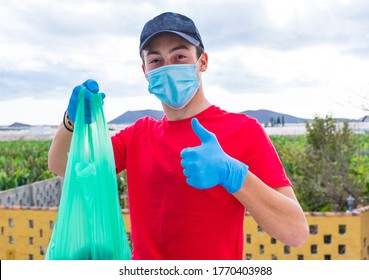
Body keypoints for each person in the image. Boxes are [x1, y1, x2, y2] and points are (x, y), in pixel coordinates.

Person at [48, 12, 309, 260]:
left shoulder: (243, 130)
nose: (167, 67)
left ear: (202, 62)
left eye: (180, 56)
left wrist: (234, 174)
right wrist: (71, 122)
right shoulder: (137, 136)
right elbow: (63, 166)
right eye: (156, 61)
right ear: (145, 72)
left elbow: (295, 232)